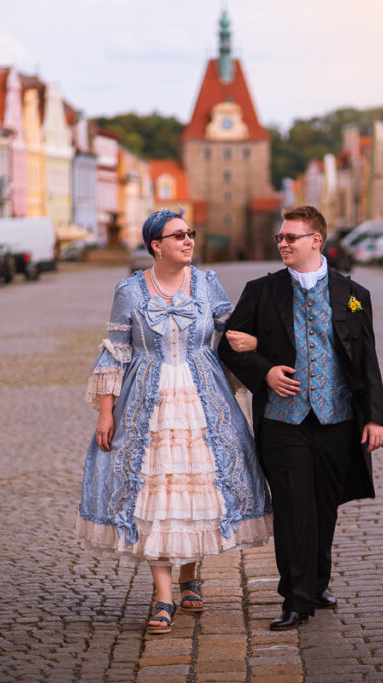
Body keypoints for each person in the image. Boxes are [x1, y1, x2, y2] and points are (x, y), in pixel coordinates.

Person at [76, 208, 272, 635]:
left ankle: (189, 577)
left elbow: (233, 332)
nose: (188, 241)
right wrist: (106, 412)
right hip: (147, 399)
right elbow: (116, 351)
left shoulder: (207, 283)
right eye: (178, 235)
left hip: (203, 395)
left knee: (197, 486)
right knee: (155, 493)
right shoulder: (129, 290)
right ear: (155, 245)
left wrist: (258, 344)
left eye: (190, 234)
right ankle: (164, 597)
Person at [218, 205, 383, 631]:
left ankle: (318, 581)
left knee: (325, 504)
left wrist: (375, 419)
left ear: (316, 240)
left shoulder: (353, 293)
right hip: (283, 420)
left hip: (338, 417)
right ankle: (296, 598)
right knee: (294, 507)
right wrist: (266, 371)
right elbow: (227, 348)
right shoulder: (262, 291)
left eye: (291, 237)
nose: (282, 243)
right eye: (280, 237)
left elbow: (367, 361)